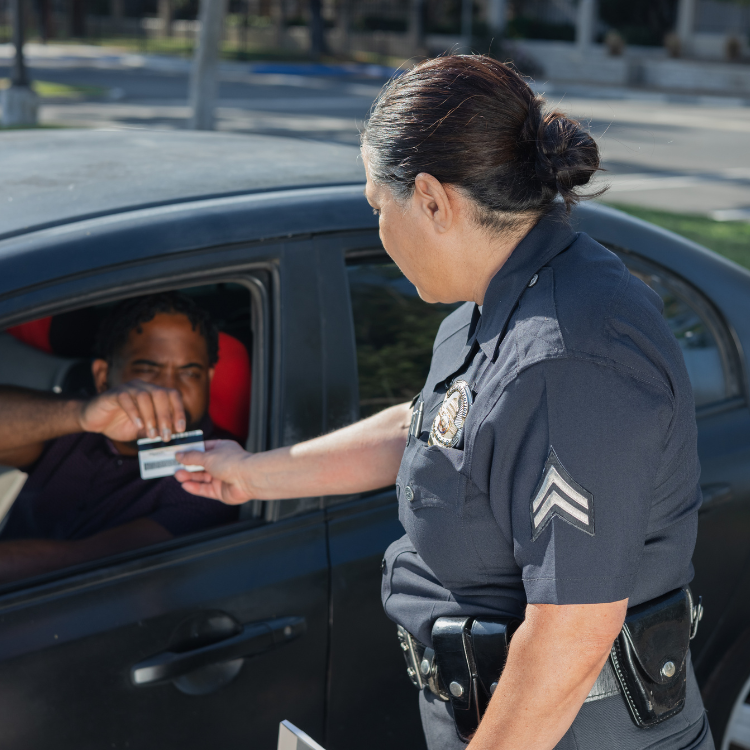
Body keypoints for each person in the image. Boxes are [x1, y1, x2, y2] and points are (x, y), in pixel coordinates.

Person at [175, 56, 713, 750]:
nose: (378, 229)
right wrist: (250, 473)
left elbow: (571, 631)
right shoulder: (498, 298)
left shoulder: (566, 359)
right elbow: (435, 429)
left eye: (378, 206)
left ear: (431, 199)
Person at [0, 292, 238, 583]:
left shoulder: (215, 473)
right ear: (102, 377)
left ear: (209, 380)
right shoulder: (82, 423)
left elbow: (84, 562)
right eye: (148, 370)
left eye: (190, 373)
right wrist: (80, 415)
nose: (169, 391)